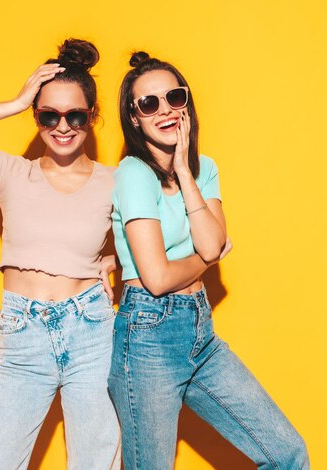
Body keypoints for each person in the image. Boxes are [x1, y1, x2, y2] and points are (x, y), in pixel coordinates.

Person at [0, 39, 120, 470]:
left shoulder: (117, 181)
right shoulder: (12, 172)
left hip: (92, 333)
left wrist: (117, 259)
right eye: (48, 114)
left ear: (92, 116)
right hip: (23, 335)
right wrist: (15, 102)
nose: (62, 125)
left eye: (75, 115)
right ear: (36, 116)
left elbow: (156, 232)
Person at [108, 51, 309, 469]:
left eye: (173, 97)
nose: (164, 110)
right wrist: (207, 259)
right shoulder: (132, 173)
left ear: (187, 103)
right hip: (148, 337)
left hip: (200, 331)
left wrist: (183, 169)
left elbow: (211, 242)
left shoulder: (203, 168)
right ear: (135, 117)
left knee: (287, 453)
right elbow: (160, 278)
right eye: (149, 104)